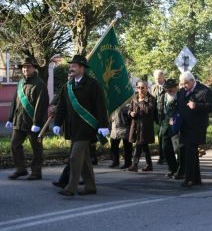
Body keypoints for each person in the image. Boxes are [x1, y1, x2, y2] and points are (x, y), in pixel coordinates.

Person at [53, 55, 109, 196]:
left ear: (82, 68)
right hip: (73, 128)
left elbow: (100, 106)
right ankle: (90, 187)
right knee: (83, 160)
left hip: (86, 128)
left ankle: (71, 188)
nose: (71, 68)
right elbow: (61, 107)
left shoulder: (93, 84)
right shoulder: (68, 86)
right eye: (70, 65)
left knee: (74, 157)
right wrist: (57, 123)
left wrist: (104, 125)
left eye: (74, 66)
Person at [5, 57, 49, 180]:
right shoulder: (20, 83)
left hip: (34, 123)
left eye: (28, 67)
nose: (25, 69)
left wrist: (37, 122)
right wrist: (10, 118)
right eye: (23, 67)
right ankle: (21, 169)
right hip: (19, 121)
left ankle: (36, 172)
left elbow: (42, 104)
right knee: (14, 145)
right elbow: (15, 101)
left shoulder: (40, 83)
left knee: (36, 148)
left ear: (34, 68)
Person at [177, 71, 212, 187]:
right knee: (190, 153)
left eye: (185, 84)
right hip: (184, 126)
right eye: (182, 84)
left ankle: (190, 179)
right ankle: (196, 178)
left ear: (192, 81)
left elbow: (211, 107)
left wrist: (196, 106)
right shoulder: (182, 91)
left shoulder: (204, 90)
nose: (183, 86)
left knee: (190, 152)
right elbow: (179, 105)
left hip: (196, 127)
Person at [128, 80, 157, 172]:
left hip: (145, 127)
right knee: (144, 146)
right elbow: (130, 109)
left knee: (138, 145)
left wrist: (141, 102)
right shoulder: (134, 98)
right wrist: (130, 113)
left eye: (142, 88)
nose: (140, 90)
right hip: (136, 126)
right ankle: (149, 165)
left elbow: (148, 110)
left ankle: (134, 165)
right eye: (138, 87)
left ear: (146, 88)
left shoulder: (151, 98)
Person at [160, 79, 179, 178]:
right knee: (165, 148)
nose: (168, 91)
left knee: (179, 150)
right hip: (166, 127)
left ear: (176, 88)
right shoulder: (164, 96)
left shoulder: (181, 96)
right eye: (167, 90)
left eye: (170, 90)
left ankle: (180, 171)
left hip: (178, 127)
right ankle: (172, 168)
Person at [109, 104, 133, 169]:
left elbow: (129, 113)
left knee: (127, 146)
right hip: (115, 128)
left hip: (124, 127)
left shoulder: (125, 103)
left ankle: (128, 163)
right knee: (113, 145)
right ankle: (115, 161)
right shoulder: (112, 104)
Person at [151, 69, 166, 164]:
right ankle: (162, 156)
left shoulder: (168, 86)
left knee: (165, 137)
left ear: (163, 77)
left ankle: (165, 157)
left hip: (167, 116)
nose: (157, 80)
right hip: (158, 117)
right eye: (156, 78)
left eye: (159, 78)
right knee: (161, 137)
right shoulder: (154, 88)